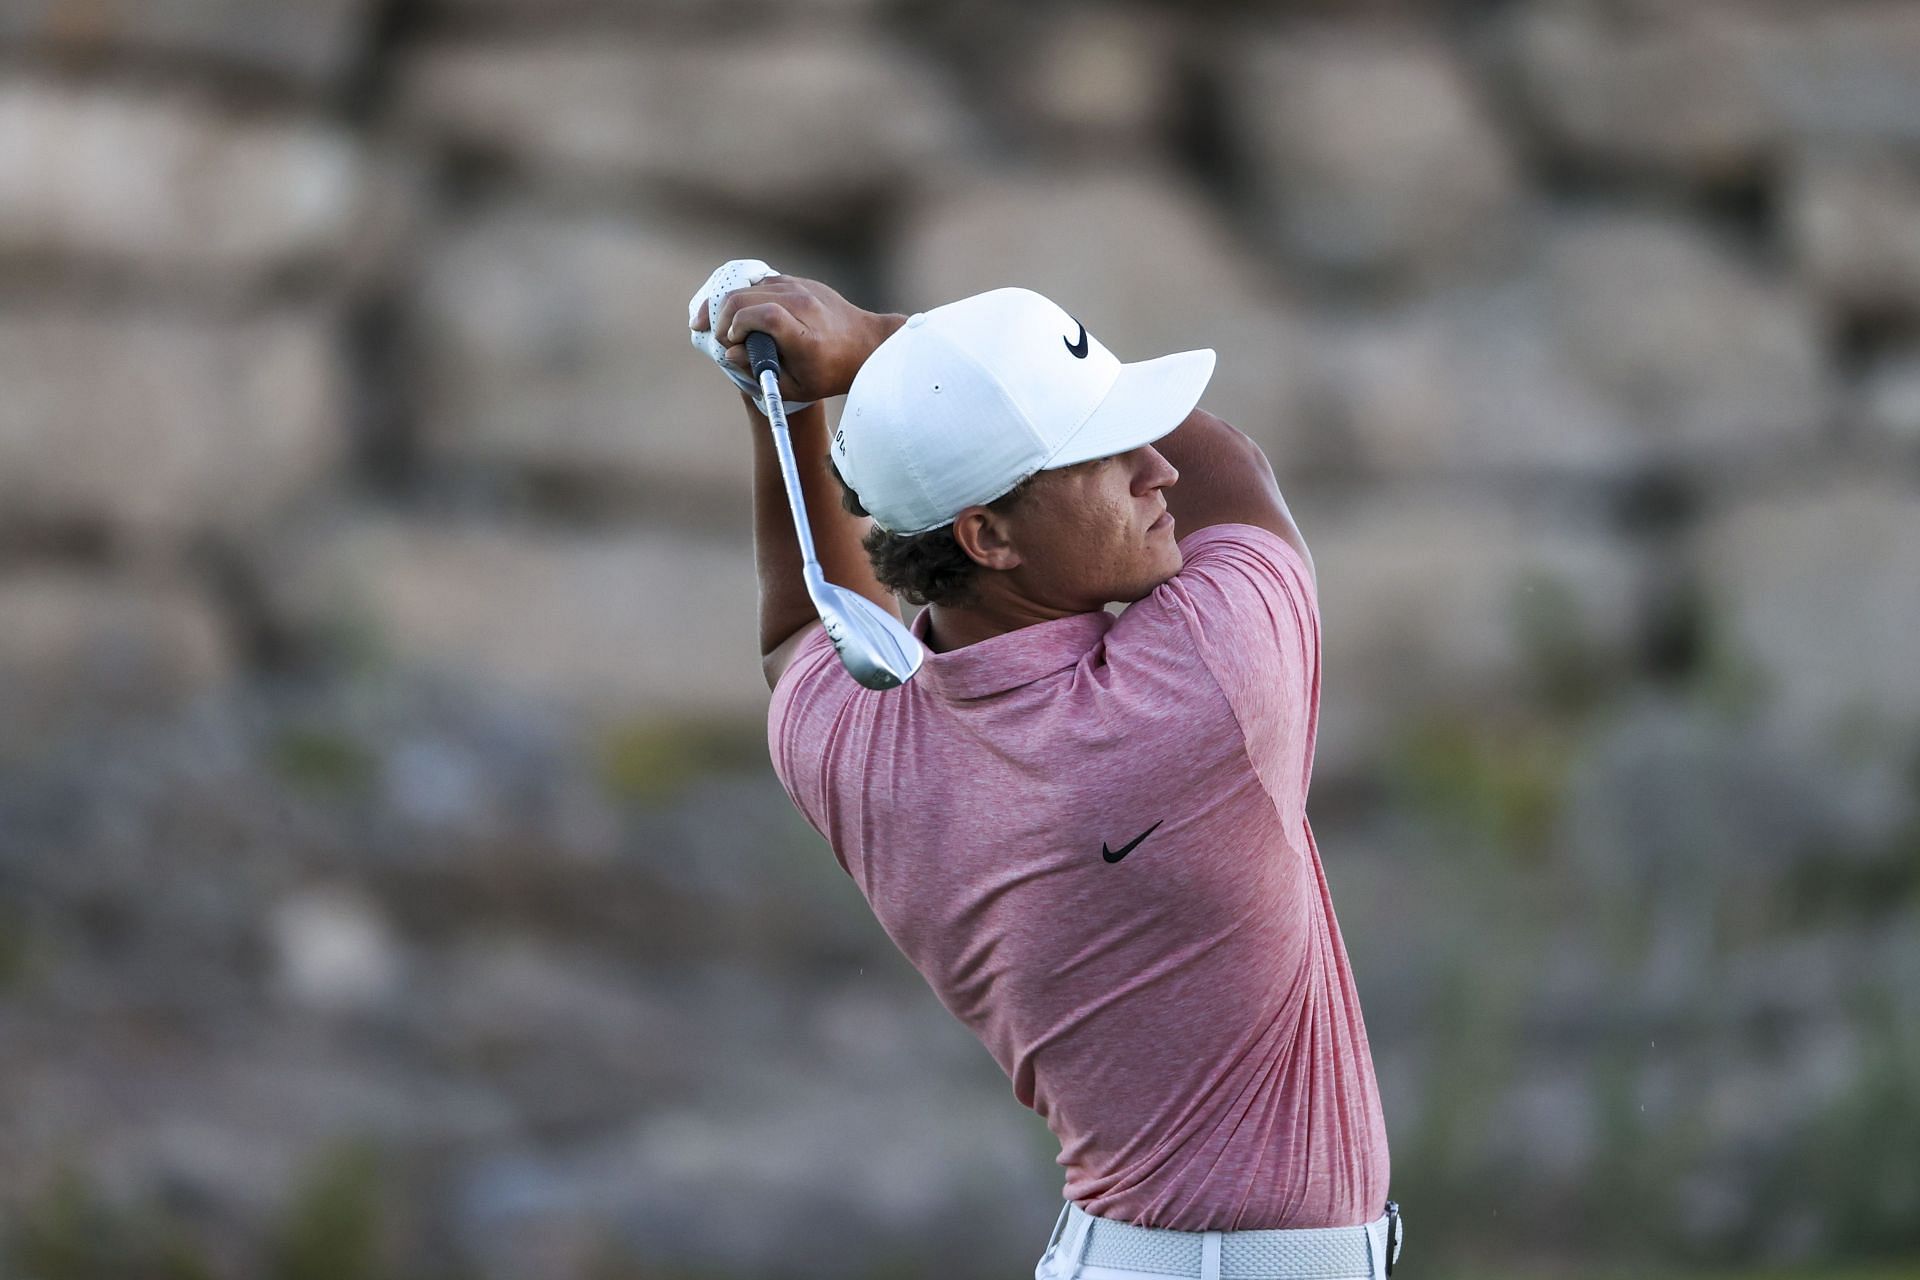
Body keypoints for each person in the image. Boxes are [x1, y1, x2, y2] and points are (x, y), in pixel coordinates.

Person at [689, 261, 1402, 1280]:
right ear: (987, 535)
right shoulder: (1200, 684)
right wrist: (867, 345)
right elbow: (1234, 475)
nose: (1157, 469)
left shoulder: (855, 742)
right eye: (1105, 455)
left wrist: (789, 400)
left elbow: (805, 622)